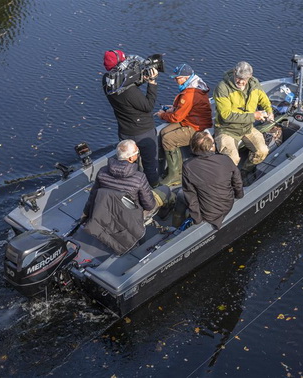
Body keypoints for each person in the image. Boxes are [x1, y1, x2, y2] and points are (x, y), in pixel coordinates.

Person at [81, 140, 169, 255]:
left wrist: (86, 215)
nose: (138, 154)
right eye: (137, 152)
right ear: (131, 158)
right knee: (165, 191)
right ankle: (166, 218)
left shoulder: (102, 172)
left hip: (107, 213)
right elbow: (149, 205)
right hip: (130, 218)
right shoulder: (139, 178)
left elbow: (93, 196)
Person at [102, 49, 160, 187]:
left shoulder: (107, 82)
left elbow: (124, 83)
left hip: (125, 132)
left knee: (130, 166)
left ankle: (133, 187)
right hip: (142, 132)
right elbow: (148, 106)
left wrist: (140, 80)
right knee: (150, 165)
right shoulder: (129, 91)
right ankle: (154, 189)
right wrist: (152, 83)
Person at [155, 63, 213, 186]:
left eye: (178, 78)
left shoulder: (189, 94)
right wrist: (175, 107)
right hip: (192, 120)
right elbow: (187, 109)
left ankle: (176, 175)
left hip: (197, 127)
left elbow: (177, 117)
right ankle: (175, 168)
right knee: (163, 132)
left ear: (186, 77)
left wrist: (162, 115)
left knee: (168, 139)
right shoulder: (195, 87)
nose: (176, 80)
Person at [175, 131, 244, 229]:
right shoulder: (225, 159)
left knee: (180, 194)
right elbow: (237, 182)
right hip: (228, 204)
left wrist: (197, 219)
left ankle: (176, 224)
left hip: (208, 213)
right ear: (211, 147)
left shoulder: (188, 166)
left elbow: (190, 194)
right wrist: (239, 195)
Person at [213, 61, 275, 170]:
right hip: (226, 129)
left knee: (263, 151)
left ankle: (245, 170)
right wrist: (253, 116)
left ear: (250, 77)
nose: (241, 82)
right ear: (234, 72)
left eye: (244, 79)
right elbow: (226, 116)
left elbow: (263, 99)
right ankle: (228, 180)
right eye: (238, 78)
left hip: (247, 128)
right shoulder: (222, 88)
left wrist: (269, 111)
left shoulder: (254, 84)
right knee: (232, 159)